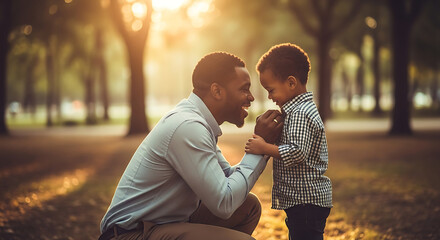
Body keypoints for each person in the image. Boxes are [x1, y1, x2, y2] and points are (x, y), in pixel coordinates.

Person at [98, 52, 284, 240]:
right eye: (244, 89)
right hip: (130, 234)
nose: (251, 97)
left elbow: (227, 177)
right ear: (217, 91)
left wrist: (263, 145)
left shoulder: (197, 122)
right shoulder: (188, 126)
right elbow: (224, 203)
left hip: (161, 225)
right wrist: (260, 146)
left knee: (248, 206)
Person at [245, 43, 332, 240]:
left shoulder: (300, 113)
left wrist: (264, 147)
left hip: (306, 202)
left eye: (271, 89)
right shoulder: (296, 111)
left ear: (291, 83)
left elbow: (297, 152)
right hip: (303, 202)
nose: (269, 96)